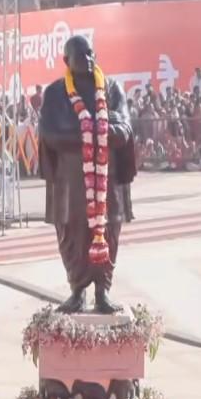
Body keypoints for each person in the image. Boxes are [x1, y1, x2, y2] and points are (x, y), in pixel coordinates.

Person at [38, 35, 136, 315]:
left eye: (92, 54)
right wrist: (91, 134)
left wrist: (96, 132)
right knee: (72, 234)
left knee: (108, 232)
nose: (89, 60)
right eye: (81, 56)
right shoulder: (56, 93)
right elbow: (49, 134)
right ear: (66, 61)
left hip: (108, 180)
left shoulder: (112, 88)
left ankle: (102, 292)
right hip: (70, 181)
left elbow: (125, 129)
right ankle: (77, 291)